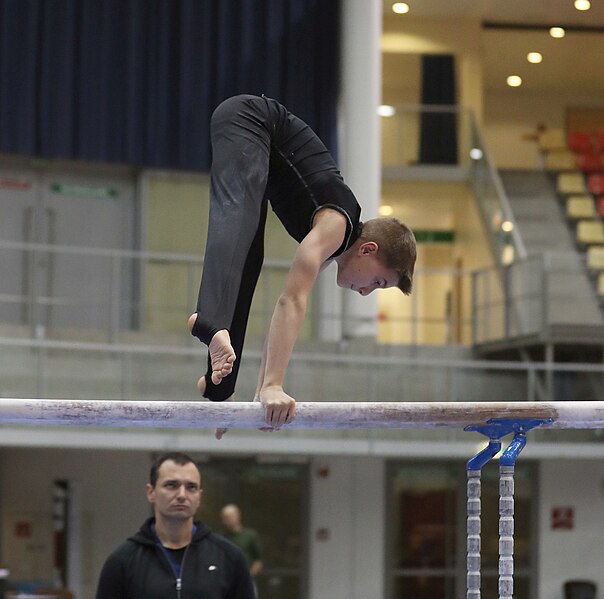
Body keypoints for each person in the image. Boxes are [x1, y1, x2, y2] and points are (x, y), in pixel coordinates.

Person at [188, 94, 416, 431]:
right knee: (238, 218)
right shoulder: (336, 226)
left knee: (249, 259)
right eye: (378, 282)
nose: (367, 293)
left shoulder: (332, 241)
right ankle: (208, 323)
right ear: (368, 250)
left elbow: (285, 312)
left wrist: (259, 396)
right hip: (250, 119)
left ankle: (220, 390)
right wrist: (272, 386)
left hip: (260, 152)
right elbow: (291, 301)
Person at [95, 452, 255, 599]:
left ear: (199, 496)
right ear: (151, 492)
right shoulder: (122, 561)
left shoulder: (229, 558)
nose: (182, 495)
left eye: (191, 487)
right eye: (171, 485)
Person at [220, 504, 263, 591]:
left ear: (237, 516)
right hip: (226, 583)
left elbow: (258, 560)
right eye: (224, 517)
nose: (227, 520)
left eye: (229, 517)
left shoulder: (250, 536)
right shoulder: (220, 538)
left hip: (246, 583)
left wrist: (248, 576)